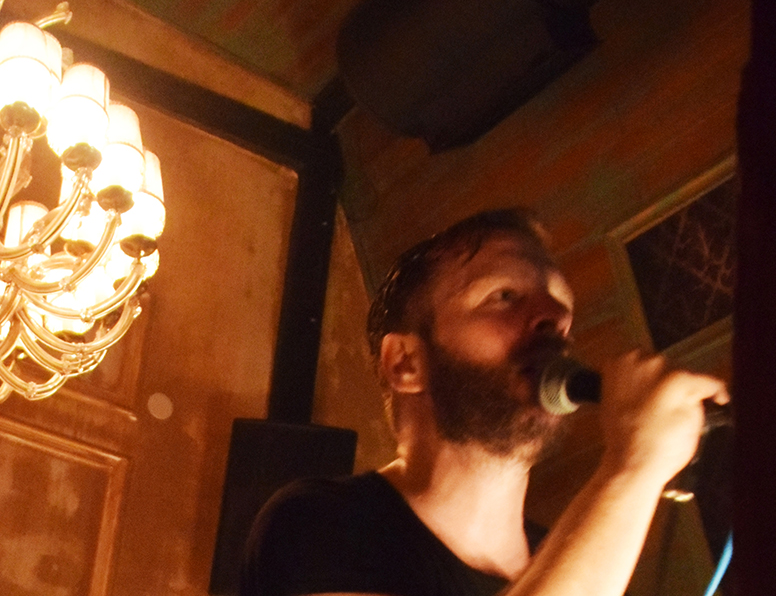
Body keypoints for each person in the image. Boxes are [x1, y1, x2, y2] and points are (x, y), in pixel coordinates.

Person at [240, 209, 728, 596]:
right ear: (406, 362)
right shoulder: (318, 523)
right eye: (505, 295)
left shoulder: (577, 556)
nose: (555, 317)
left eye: (562, 304)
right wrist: (633, 469)